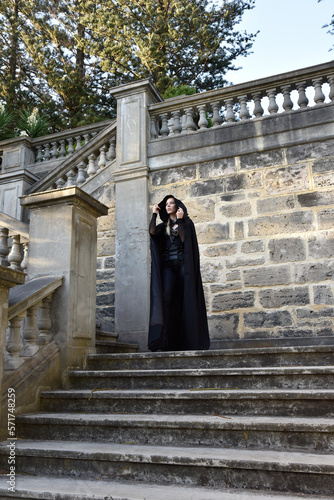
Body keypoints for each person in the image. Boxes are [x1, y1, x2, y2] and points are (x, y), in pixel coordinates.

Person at [148, 194, 210, 351]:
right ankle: (165, 340)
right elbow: (152, 232)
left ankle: (189, 341)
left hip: (183, 266)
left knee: (186, 299)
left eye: (171, 203)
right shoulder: (164, 226)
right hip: (168, 267)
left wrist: (181, 220)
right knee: (166, 299)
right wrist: (154, 213)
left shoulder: (187, 224)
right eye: (166, 204)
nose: (168, 206)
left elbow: (184, 239)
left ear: (177, 206)